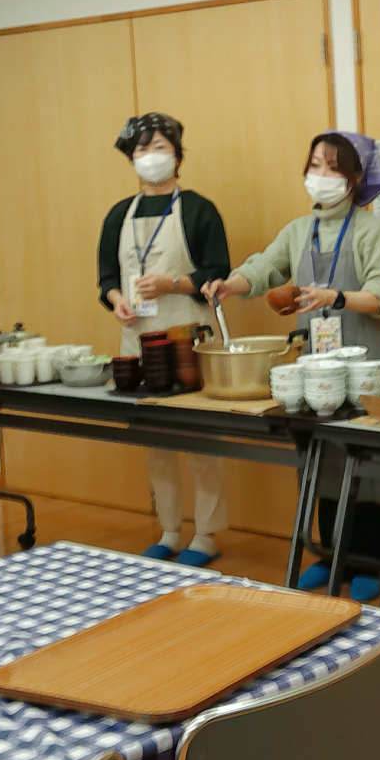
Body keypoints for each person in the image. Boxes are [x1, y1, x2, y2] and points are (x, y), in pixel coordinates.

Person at [206, 131, 380, 604]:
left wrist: (337, 296)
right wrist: (231, 284)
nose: (321, 175)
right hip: (315, 364)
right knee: (322, 459)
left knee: (366, 462)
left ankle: (372, 561)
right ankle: (331, 554)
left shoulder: (372, 232)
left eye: (333, 167)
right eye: (315, 165)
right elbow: (264, 268)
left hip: (364, 364)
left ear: (354, 178)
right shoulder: (299, 230)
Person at [96, 113, 233, 565]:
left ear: (177, 154)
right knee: (155, 445)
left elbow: (218, 274)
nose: (151, 156)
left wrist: (171, 283)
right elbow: (107, 277)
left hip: (189, 337)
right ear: (130, 158)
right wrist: (117, 300)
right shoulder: (119, 214)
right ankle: (170, 530)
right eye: (142, 149)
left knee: (200, 444)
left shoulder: (198, 209)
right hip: (137, 338)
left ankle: (206, 534)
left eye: (160, 147)